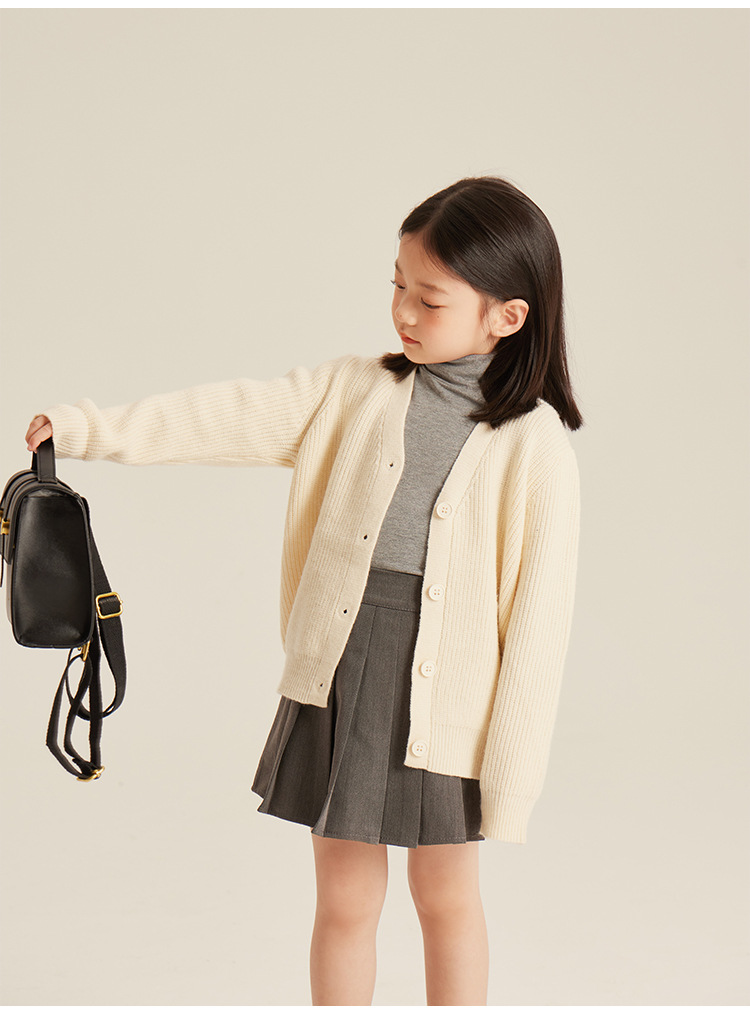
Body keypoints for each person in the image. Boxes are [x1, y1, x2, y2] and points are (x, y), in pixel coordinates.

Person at [25, 175, 583, 1007]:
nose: (402, 311)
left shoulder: (535, 447)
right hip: (343, 669)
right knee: (345, 898)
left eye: (429, 298)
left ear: (507, 315)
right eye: (396, 284)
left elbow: (537, 632)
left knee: (447, 898)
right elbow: (223, 415)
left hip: (448, 700)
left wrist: (510, 782)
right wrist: (88, 430)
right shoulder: (352, 391)